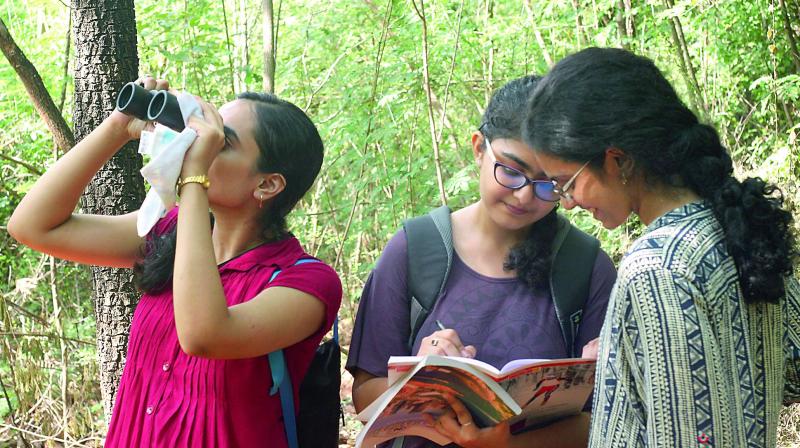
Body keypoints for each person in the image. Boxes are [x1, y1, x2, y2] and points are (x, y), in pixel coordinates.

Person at [7, 77, 342, 447]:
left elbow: (204, 335)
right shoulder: (167, 232)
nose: (197, 143)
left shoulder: (307, 283)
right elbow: (32, 227)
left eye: (220, 141)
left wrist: (193, 180)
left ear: (267, 185)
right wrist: (117, 128)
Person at [523, 47, 800, 447]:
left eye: (567, 182)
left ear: (618, 161)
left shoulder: (656, 269)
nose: (566, 202)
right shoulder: (729, 225)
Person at [346, 75, 617, 447]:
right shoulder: (416, 249)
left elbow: (604, 418)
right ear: (478, 148)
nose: (524, 196)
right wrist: (417, 382)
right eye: (510, 170)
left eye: (548, 184)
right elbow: (364, 396)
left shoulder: (585, 267)